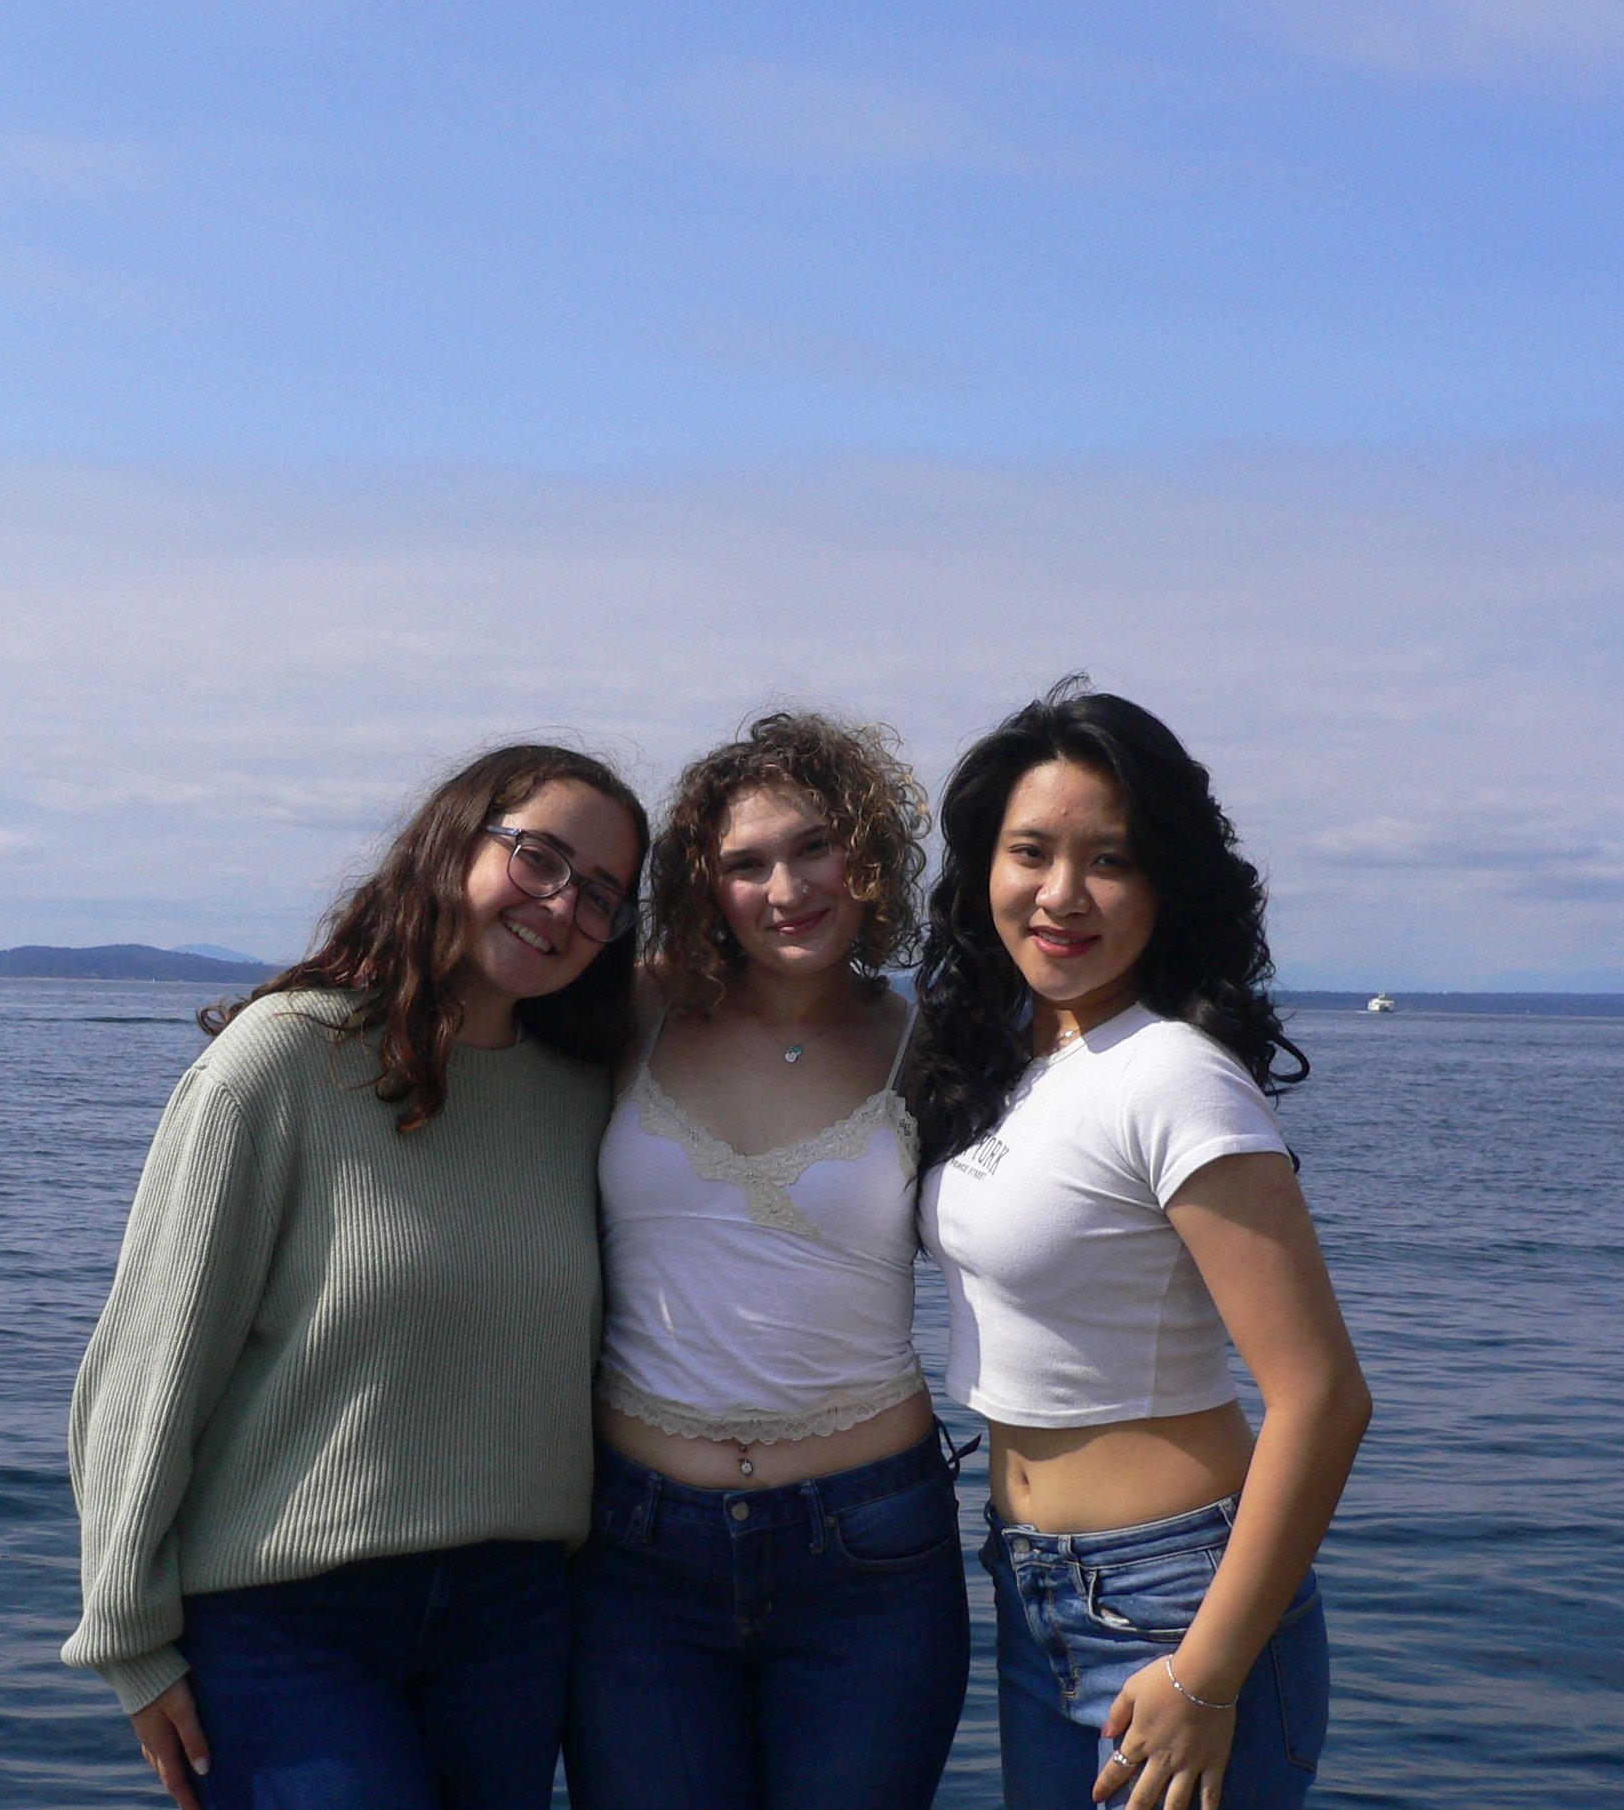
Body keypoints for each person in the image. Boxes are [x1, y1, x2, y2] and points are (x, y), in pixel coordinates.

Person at [61, 743, 649, 1810]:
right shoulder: (281, 1065)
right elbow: (147, 1373)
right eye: (539, 858)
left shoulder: (587, 1103)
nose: (562, 905)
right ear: (449, 846)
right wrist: (129, 1640)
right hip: (288, 1622)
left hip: (515, 1627)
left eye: (600, 892)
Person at [909, 681, 1371, 1810]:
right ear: (982, 869)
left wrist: (1206, 1675)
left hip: (1174, 1604)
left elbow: (1322, 1397)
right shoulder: (1014, 1060)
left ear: (1164, 883)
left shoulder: (1173, 1076)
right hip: (1032, 1588)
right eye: (1030, 853)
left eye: (1108, 861)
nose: (1061, 895)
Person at [564, 712, 970, 1810]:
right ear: (704, 885)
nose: (784, 889)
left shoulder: (931, 1043)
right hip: (635, 1552)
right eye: (745, 864)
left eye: (810, 849)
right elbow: (458, 1001)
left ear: (867, 855)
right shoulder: (632, 1010)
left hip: (871, 1557)